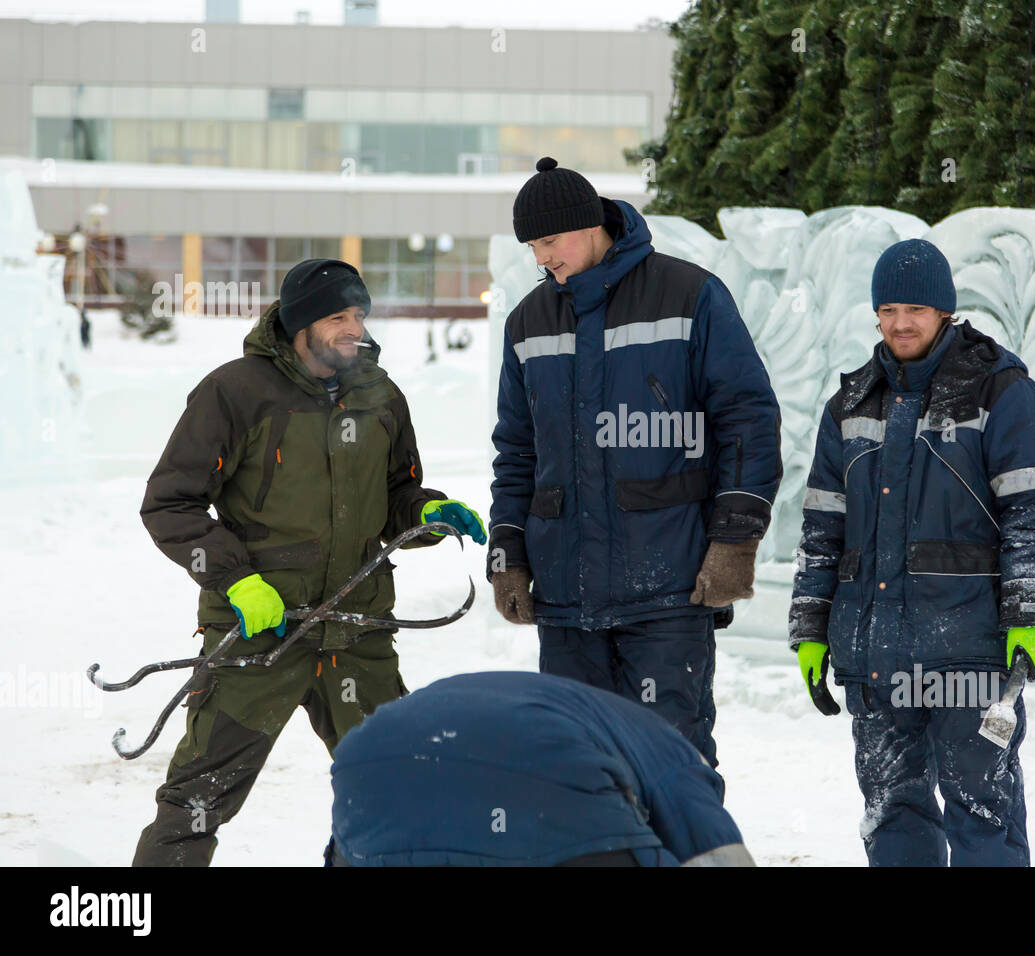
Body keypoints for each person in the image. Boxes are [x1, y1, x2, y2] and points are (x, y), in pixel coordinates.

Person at [132, 258, 486, 866]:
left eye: (359, 315)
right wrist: (238, 583)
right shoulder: (235, 392)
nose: (355, 327)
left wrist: (428, 513)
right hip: (258, 632)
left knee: (400, 784)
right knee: (198, 800)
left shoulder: (380, 396)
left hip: (357, 630)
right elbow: (171, 505)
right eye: (337, 316)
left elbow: (395, 494)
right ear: (299, 325)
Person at [487, 157, 783, 769]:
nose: (541, 259)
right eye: (531, 247)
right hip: (567, 600)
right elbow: (517, 452)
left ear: (591, 225)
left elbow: (747, 420)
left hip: (669, 591)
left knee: (670, 767)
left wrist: (735, 540)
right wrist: (507, 552)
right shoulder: (528, 322)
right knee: (578, 773)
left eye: (549, 241)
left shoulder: (689, 294)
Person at [788, 238, 1035, 866]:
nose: (900, 324)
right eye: (887, 310)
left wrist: (1030, 616)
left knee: (981, 811)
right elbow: (822, 531)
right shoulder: (851, 403)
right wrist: (810, 628)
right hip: (874, 655)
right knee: (893, 812)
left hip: (968, 650)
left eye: (914, 308)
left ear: (944, 310)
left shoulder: (998, 390)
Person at [326, 670, 754, 866]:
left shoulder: (614, 724)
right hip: (543, 769)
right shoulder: (679, 761)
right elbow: (718, 857)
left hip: (370, 761)